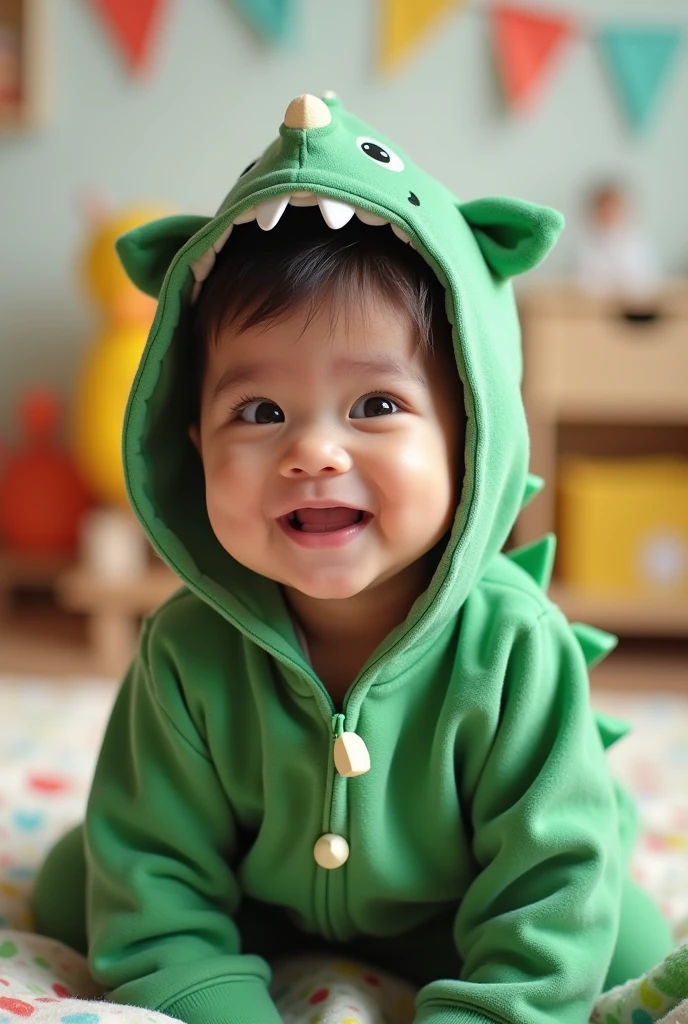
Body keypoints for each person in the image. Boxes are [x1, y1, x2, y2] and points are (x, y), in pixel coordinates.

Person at [32, 94, 680, 1024]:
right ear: (193, 442)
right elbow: (157, 875)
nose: (314, 453)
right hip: (269, 901)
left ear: (471, 434)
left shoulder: (513, 650)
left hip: (465, 907)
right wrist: (210, 996)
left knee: (614, 931)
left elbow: (547, 885)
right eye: (259, 413)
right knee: (86, 888)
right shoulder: (186, 650)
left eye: (376, 405)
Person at [575, 180, 660, 303]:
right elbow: (579, 286)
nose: (609, 213)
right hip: (593, 310)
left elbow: (650, 283)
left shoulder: (639, 242)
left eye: (613, 208)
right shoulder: (583, 246)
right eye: (604, 208)